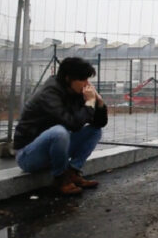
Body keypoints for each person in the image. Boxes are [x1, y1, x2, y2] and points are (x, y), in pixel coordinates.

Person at [13, 57, 108, 195]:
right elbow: (73, 124)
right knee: (59, 132)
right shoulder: (49, 93)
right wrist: (89, 103)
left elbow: (99, 123)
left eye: (88, 79)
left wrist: (99, 102)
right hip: (28, 155)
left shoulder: (75, 92)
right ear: (68, 78)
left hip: (53, 149)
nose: (87, 84)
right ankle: (60, 179)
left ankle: (73, 172)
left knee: (94, 131)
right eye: (83, 79)